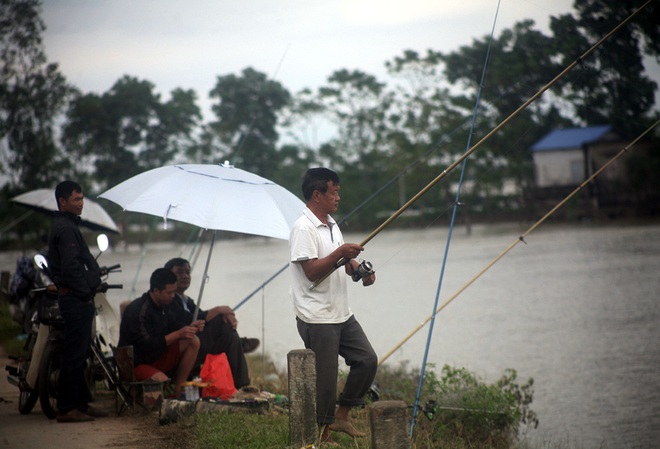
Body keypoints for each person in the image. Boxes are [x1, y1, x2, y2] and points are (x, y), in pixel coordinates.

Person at [289, 168, 378, 445]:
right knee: (325, 380)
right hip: (316, 315)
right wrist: (341, 253)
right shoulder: (303, 228)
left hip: (341, 313)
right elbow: (312, 271)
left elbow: (343, 261)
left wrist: (359, 270)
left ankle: (342, 416)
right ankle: (322, 436)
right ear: (317, 195)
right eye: (334, 191)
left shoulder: (330, 223)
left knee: (366, 360)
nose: (338, 196)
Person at [48, 180, 108, 423]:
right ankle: (66, 408)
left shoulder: (66, 225)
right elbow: (71, 265)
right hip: (75, 299)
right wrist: (84, 291)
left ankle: (80, 404)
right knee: (75, 354)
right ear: (62, 202)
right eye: (76, 199)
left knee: (82, 353)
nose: (81, 203)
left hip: (76, 296)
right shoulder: (66, 228)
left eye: (82, 199)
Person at [164, 257, 259, 389]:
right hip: (183, 348)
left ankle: (242, 385)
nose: (185, 276)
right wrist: (220, 310)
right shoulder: (168, 299)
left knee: (227, 333)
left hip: (197, 344)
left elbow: (204, 319)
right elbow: (189, 320)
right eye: (180, 272)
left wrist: (224, 313)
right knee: (222, 325)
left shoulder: (187, 301)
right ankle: (242, 375)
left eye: (188, 272)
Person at [118, 268, 202, 399]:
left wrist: (190, 328)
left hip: (156, 356)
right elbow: (147, 345)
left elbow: (175, 325)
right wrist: (178, 334)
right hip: (136, 363)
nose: (173, 296)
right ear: (156, 291)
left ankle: (179, 389)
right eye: (170, 292)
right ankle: (149, 399)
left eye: (174, 292)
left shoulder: (165, 304)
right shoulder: (139, 310)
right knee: (160, 380)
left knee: (193, 340)